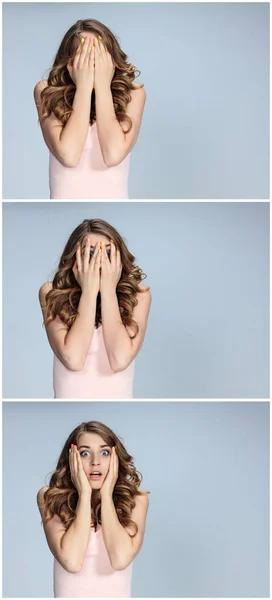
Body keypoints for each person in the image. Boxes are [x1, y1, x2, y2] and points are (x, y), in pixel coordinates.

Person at [34, 19, 146, 199]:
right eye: (84, 53)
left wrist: (102, 85)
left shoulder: (134, 94)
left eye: (98, 53)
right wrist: (84, 87)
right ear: (69, 60)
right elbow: (68, 156)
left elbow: (113, 155)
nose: (92, 60)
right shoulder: (45, 90)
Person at [39, 218, 151, 398]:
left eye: (107, 253)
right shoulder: (51, 292)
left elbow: (120, 359)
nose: (99, 262)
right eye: (90, 254)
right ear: (75, 257)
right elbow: (73, 359)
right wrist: (89, 291)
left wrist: (107, 289)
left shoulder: (139, 295)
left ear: (118, 257)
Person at [37, 420, 149, 598]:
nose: (95, 462)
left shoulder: (137, 500)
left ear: (115, 458)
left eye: (104, 453)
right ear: (72, 459)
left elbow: (120, 560)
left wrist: (106, 495)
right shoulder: (49, 497)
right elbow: (72, 562)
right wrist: (84, 494)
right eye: (84, 453)